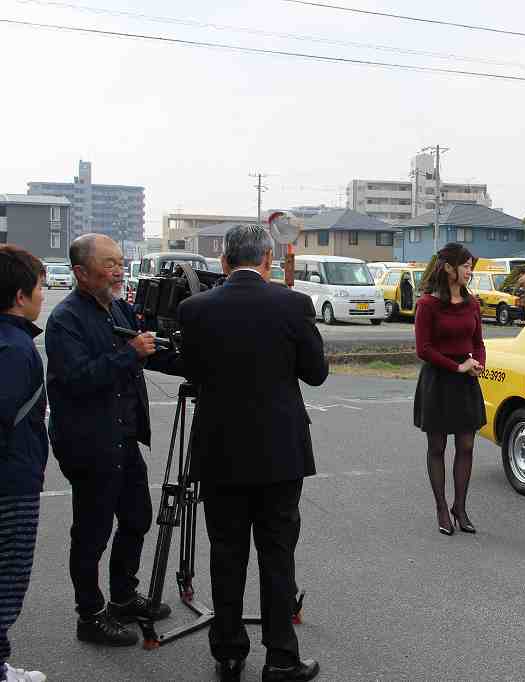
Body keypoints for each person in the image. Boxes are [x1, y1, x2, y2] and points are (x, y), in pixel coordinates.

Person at [177, 224, 328, 682]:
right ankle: (281, 657)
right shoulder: (293, 304)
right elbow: (316, 373)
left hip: (219, 448)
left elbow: (192, 371)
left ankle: (228, 652)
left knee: (226, 552)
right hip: (279, 450)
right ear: (267, 260)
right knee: (277, 554)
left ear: (224, 261)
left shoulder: (194, 309)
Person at [45, 234, 181, 647]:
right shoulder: (65, 319)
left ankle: (123, 597)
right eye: (109, 264)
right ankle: (90, 614)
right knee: (92, 532)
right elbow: (77, 379)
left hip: (123, 436)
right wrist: (130, 353)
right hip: (88, 442)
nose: (119, 271)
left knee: (137, 517)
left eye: (121, 262)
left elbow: (147, 349)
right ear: (81, 272)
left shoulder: (118, 307)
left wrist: (197, 361)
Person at [413, 243, 486, 536]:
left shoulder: (472, 303)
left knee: (466, 445)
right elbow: (423, 349)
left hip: (466, 382)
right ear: (448, 268)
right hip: (438, 382)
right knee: (437, 447)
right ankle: (442, 507)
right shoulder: (427, 304)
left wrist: (478, 363)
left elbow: (478, 343)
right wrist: (457, 367)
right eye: (465, 266)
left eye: (471, 266)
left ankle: (460, 507)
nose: (470, 271)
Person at [0, 246, 48, 682]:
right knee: (7, 582)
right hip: (11, 483)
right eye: (39, 287)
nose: (42, 295)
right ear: (20, 295)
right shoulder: (15, 349)